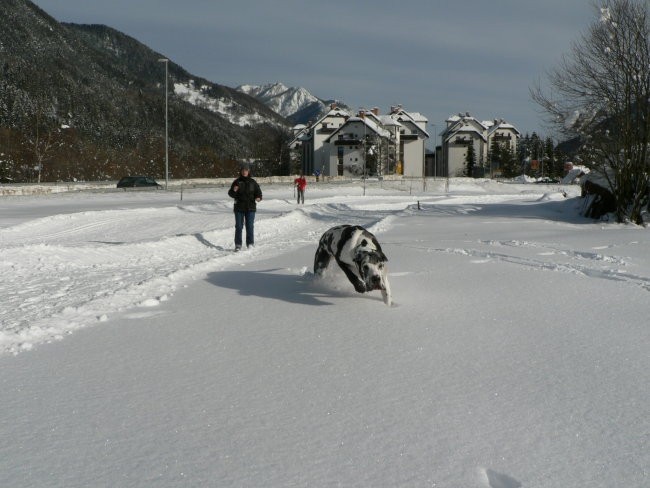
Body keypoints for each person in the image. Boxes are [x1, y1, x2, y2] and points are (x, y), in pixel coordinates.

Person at [228, 163, 262, 251]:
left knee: (249, 226)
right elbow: (231, 194)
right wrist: (234, 190)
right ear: (241, 171)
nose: (244, 172)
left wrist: (258, 197)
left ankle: (250, 243)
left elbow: (258, 193)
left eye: (246, 170)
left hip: (250, 208)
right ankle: (238, 245)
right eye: (243, 170)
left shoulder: (253, 182)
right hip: (239, 207)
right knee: (239, 226)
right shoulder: (237, 182)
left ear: (248, 171)